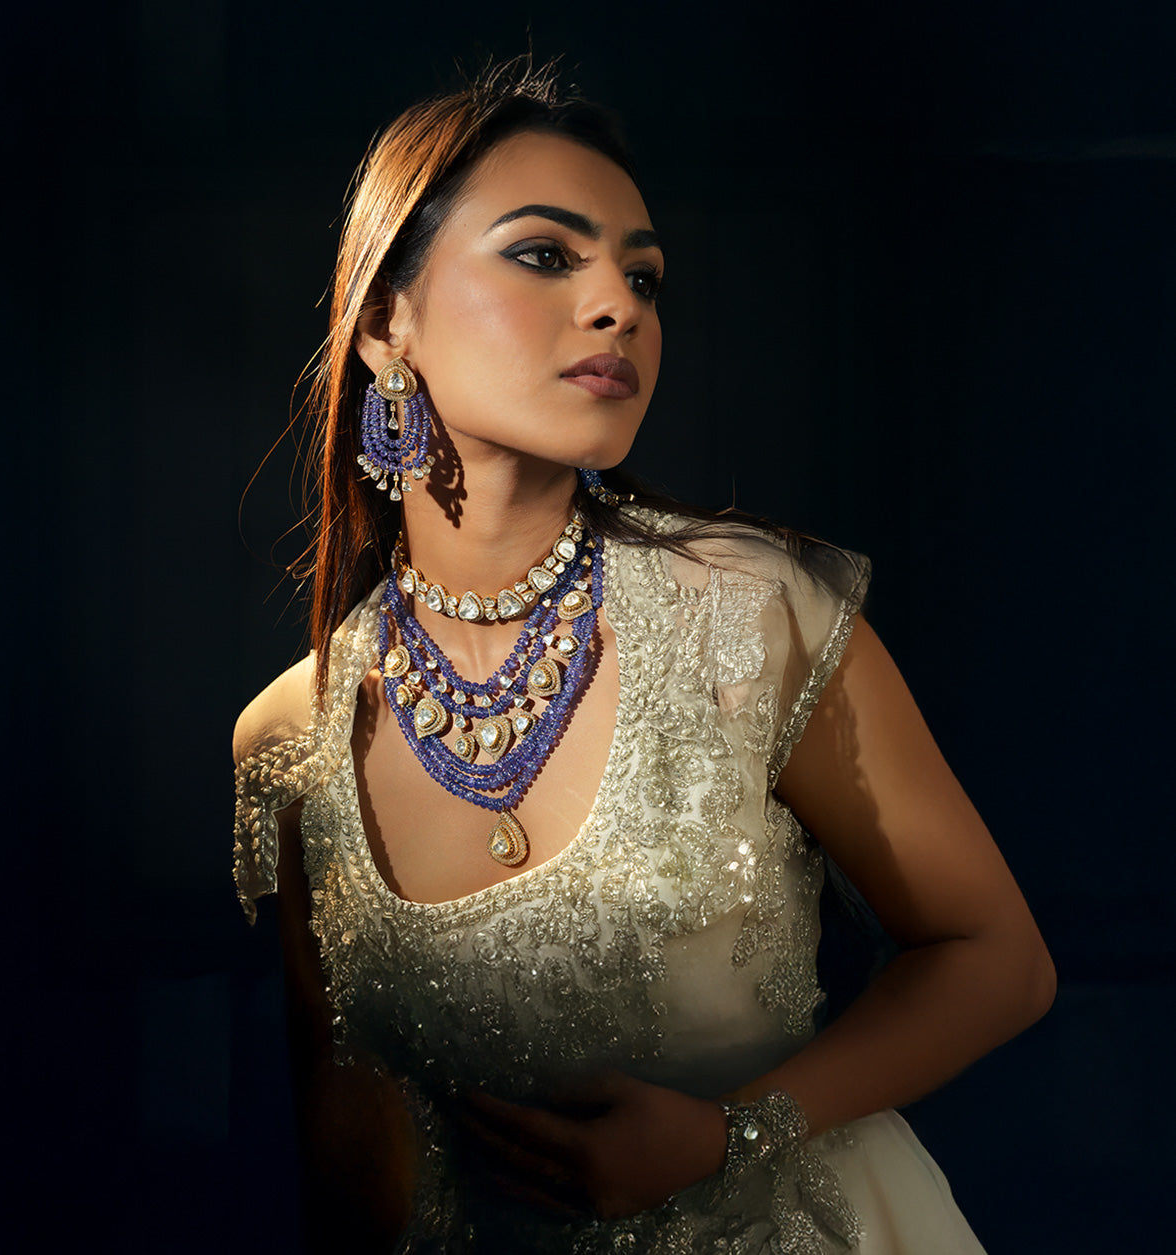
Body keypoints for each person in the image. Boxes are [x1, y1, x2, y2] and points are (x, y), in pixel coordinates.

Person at [233, 62, 1055, 1254]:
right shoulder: (291, 742)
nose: (617, 302)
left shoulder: (747, 613)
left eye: (642, 274)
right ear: (383, 321)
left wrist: (737, 1133)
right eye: (544, 255)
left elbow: (998, 960)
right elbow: (352, 1162)